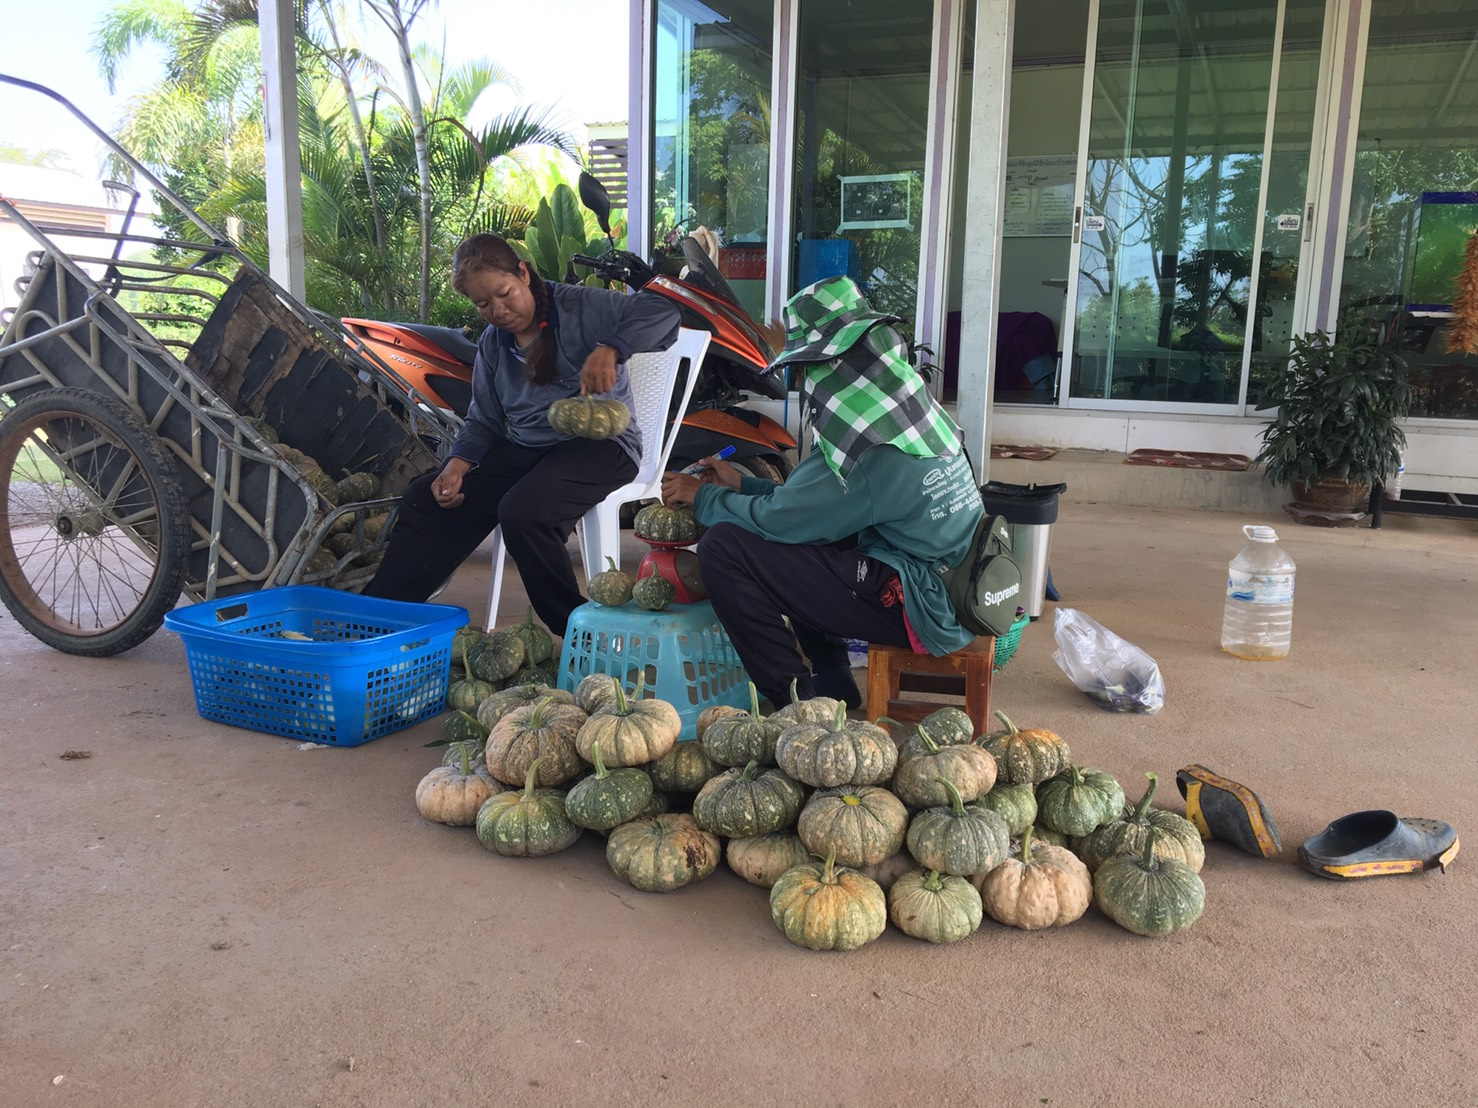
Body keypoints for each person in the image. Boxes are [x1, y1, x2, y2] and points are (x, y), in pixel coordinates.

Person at [660, 275, 983, 710]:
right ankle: (833, 679)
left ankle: (798, 703)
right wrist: (745, 484)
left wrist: (703, 497)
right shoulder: (910, 413)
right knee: (815, 533)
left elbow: (784, 520)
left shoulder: (868, 450)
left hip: (924, 606)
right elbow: (817, 504)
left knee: (725, 548)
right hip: (952, 584)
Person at [364, 234, 679, 637]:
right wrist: (457, 465)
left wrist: (611, 348)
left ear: (524, 274)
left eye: (504, 293)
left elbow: (664, 312)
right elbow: (484, 419)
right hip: (527, 449)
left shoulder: (581, 307)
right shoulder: (494, 344)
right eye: (483, 304)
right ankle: (382, 621)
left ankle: (578, 630)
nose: (498, 310)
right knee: (425, 498)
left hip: (603, 447)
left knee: (523, 511)